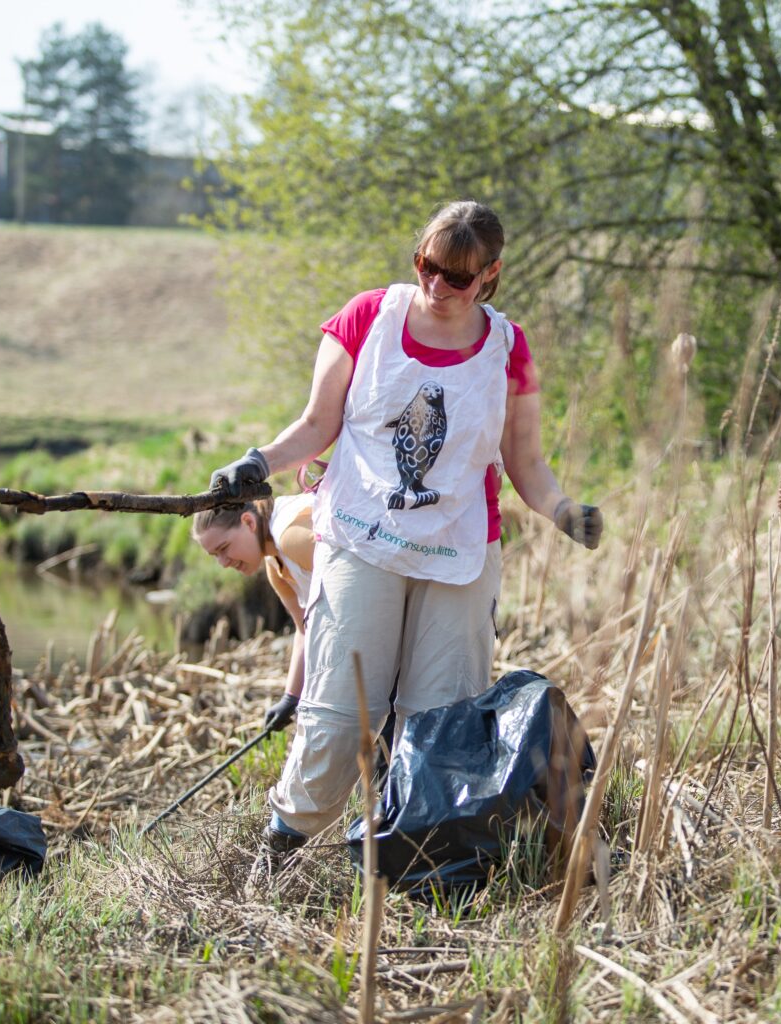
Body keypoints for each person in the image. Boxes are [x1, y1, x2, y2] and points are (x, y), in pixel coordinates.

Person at [209, 199, 603, 873]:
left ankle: (404, 859)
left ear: (490, 275)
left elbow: (527, 464)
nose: (437, 287)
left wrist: (564, 511)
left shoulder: (509, 348)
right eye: (428, 266)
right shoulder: (367, 319)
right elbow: (314, 425)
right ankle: (279, 851)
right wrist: (256, 463)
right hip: (364, 536)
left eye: (457, 276)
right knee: (340, 712)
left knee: (437, 721)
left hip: (460, 552)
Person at [192, 493, 314, 732]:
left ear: (249, 522)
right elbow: (305, 628)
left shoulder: (291, 538)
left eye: (224, 548)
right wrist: (291, 697)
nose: (223, 563)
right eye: (215, 555)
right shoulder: (274, 563)